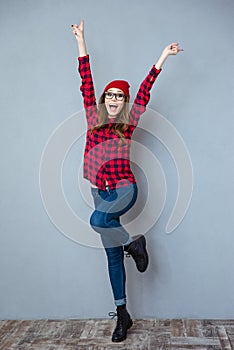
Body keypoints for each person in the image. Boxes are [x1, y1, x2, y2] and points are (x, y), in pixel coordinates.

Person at [72, 20, 183, 342]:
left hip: (124, 189)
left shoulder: (129, 123)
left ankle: (135, 243)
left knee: (96, 220)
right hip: (98, 191)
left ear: (124, 101)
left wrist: (162, 57)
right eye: (110, 95)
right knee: (110, 256)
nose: (113, 99)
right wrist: (81, 40)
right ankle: (122, 315)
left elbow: (147, 90)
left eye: (119, 96)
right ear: (104, 98)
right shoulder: (92, 119)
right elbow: (85, 80)